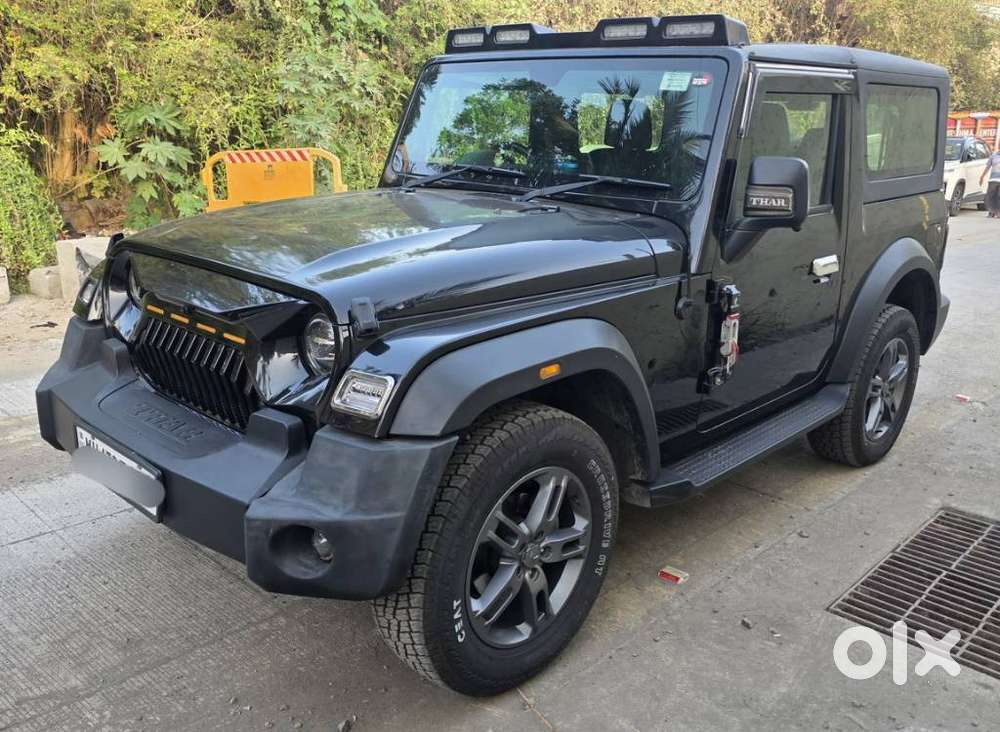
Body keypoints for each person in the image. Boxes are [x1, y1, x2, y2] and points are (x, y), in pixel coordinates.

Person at [980, 146, 1000, 218]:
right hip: (993, 179)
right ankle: (991, 212)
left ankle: (998, 212)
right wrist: (982, 177)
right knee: (991, 196)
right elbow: (988, 167)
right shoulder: (993, 156)